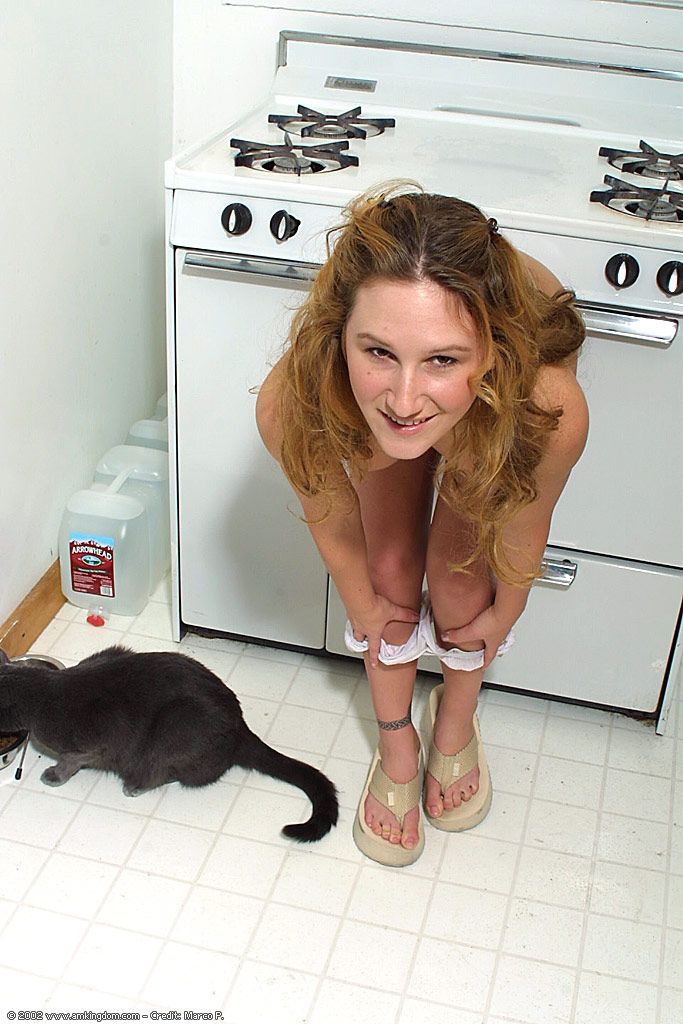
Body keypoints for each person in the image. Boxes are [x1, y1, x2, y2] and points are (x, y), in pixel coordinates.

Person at [256, 183, 588, 866]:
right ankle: (396, 741)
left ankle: (455, 722)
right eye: (377, 351)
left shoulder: (545, 406)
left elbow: (522, 531)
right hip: (371, 410)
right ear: (339, 335)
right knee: (387, 572)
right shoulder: (292, 403)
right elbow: (337, 532)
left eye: (442, 358)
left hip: (492, 412)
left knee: (462, 579)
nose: (405, 400)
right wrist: (364, 606)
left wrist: (506, 613)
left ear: (491, 352)